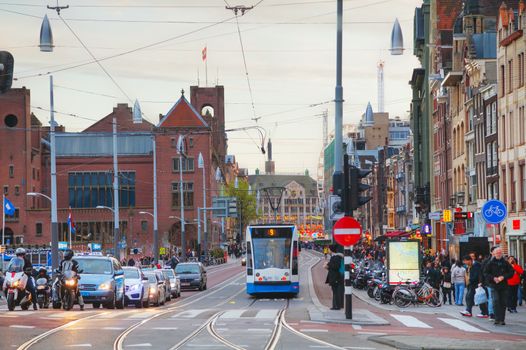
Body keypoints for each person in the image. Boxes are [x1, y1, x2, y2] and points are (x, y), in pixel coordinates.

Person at [484, 247, 514, 325]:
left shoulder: (505, 262)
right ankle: (497, 318)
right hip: (494, 285)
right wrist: (493, 278)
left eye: (500, 253)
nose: (498, 254)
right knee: (496, 301)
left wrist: (503, 277)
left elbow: (511, 272)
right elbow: (486, 273)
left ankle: (502, 319)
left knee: (503, 302)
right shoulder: (490, 263)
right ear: (494, 253)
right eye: (497, 253)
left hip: (504, 285)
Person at [325, 244, 344, 310]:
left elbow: (336, 266)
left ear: (331, 250)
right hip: (335, 277)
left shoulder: (336, 257)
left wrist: (328, 265)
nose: (328, 250)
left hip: (335, 277)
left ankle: (337, 306)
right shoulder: (335, 257)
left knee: (336, 292)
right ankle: (335, 306)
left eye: (329, 249)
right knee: (335, 291)